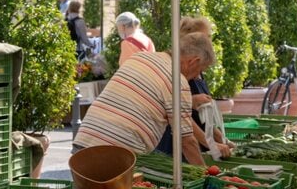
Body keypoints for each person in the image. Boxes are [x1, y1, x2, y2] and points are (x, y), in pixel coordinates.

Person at [72, 32, 214, 167]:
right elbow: (187, 142)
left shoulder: (139, 58)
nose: (197, 77)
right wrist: (204, 175)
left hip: (83, 143)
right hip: (117, 154)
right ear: (194, 61)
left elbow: (140, 97)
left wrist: (191, 102)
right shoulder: (178, 81)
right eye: (201, 69)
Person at [155, 17, 233, 158]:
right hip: (177, 144)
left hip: (197, 142)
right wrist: (211, 143)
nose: (209, 41)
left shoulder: (196, 70)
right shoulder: (179, 74)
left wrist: (222, 139)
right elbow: (180, 116)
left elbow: (204, 119)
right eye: (205, 37)